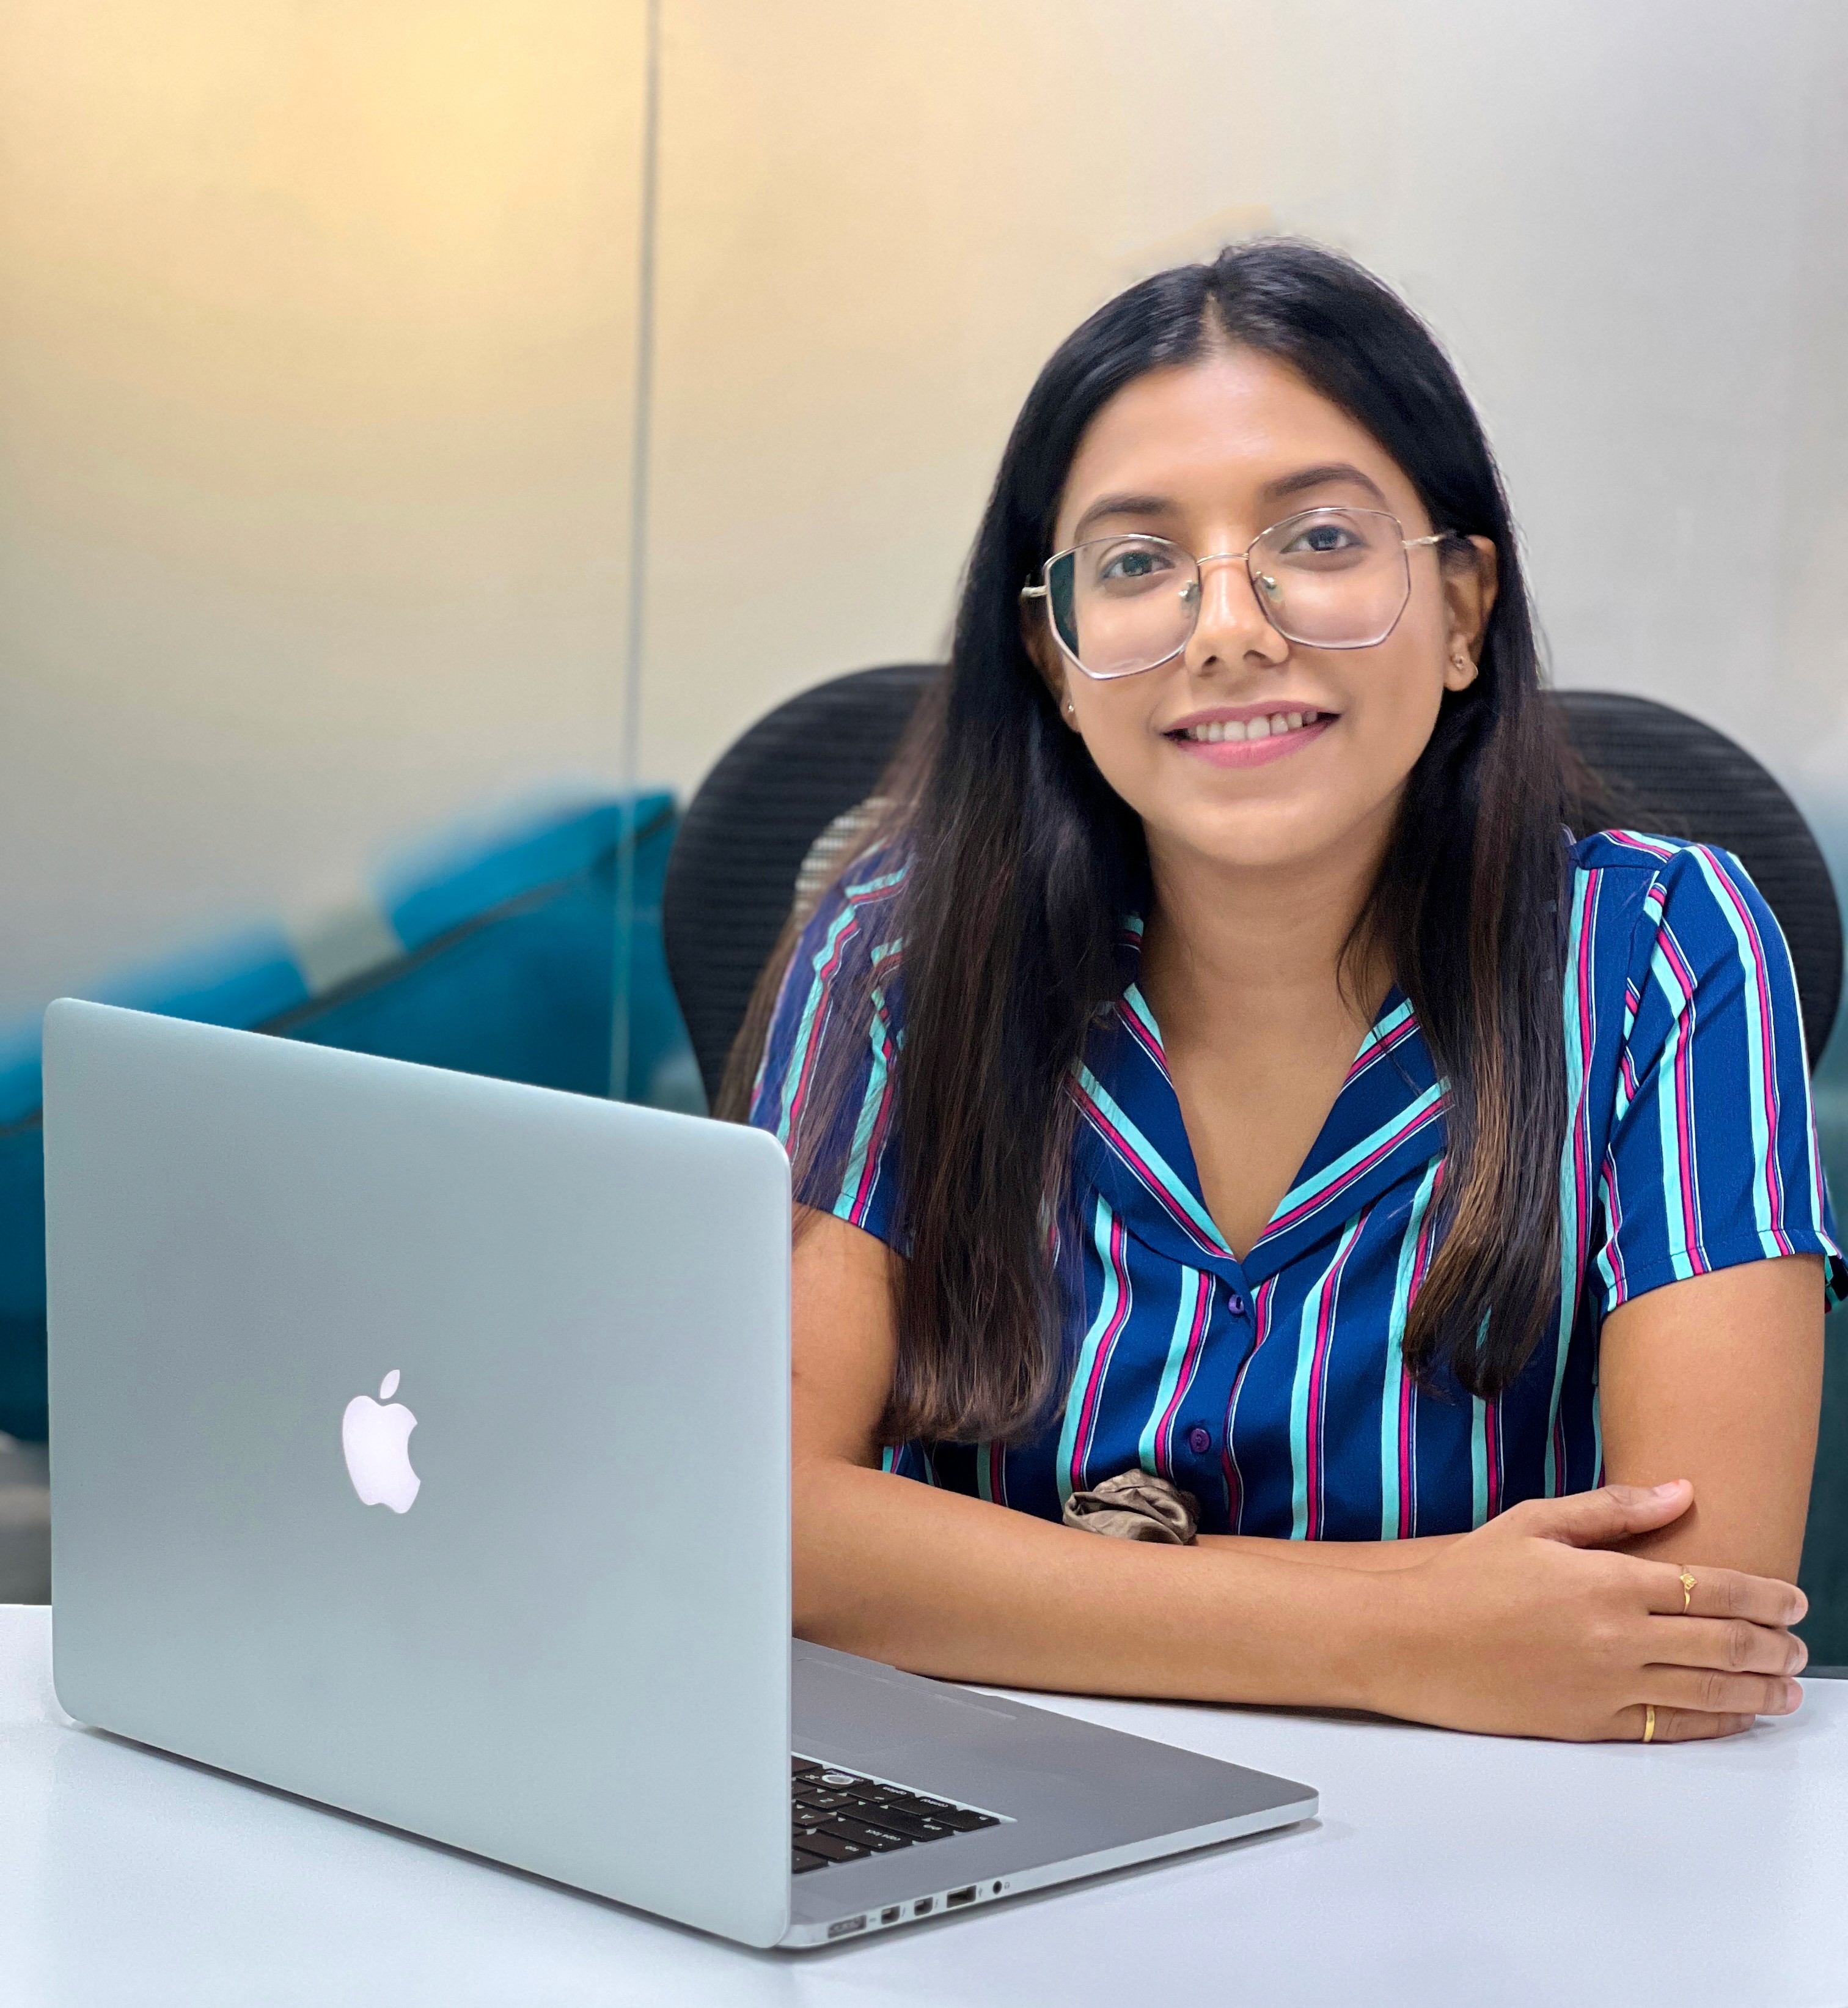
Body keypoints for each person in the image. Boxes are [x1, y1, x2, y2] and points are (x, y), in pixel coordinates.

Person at [733, 240, 1844, 1742]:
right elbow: (766, 1523)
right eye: (1137, 562)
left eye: (1318, 538)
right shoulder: (899, 953)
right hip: (1003, 1798)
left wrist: (1003, 1579)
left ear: (1463, 610)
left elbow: (1692, 1614)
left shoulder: (1661, 949)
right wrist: (1405, 1631)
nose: (1230, 628)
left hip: (1506, 1841)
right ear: (1054, 654)